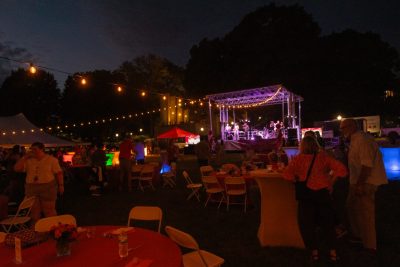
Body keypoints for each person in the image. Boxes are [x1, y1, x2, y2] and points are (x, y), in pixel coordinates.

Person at [283, 136, 347, 263]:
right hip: (323, 195)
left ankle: (314, 253)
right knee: (328, 224)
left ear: (302, 146)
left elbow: (286, 174)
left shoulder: (298, 159)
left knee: (307, 225)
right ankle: (333, 253)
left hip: (306, 197)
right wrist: (331, 182)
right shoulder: (323, 158)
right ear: (316, 145)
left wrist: (296, 180)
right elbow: (342, 170)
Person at [340, 118, 388, 255]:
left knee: (366, 213)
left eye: (343, 128)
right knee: (351, 207)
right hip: (357, 182)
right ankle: (358, 236)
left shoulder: (362, 140)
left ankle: (370, 246)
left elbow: (367, 165)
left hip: (366, 182)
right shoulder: (355, 140)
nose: (341, 131)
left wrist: (360, 184)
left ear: (351, 127)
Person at [14, 142, 64, 223]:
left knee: (49, 211)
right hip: (32, 188)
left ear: (42, 149)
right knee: (34, 212)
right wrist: (25, 157)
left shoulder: (51, 160)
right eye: (31, 149)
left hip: (47, 187)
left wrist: (61, 185)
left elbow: (59, 173)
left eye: (35, 149)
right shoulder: (28, 160)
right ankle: (36, 230)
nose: (32, 151)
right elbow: (16, 169)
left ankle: (53, 228)